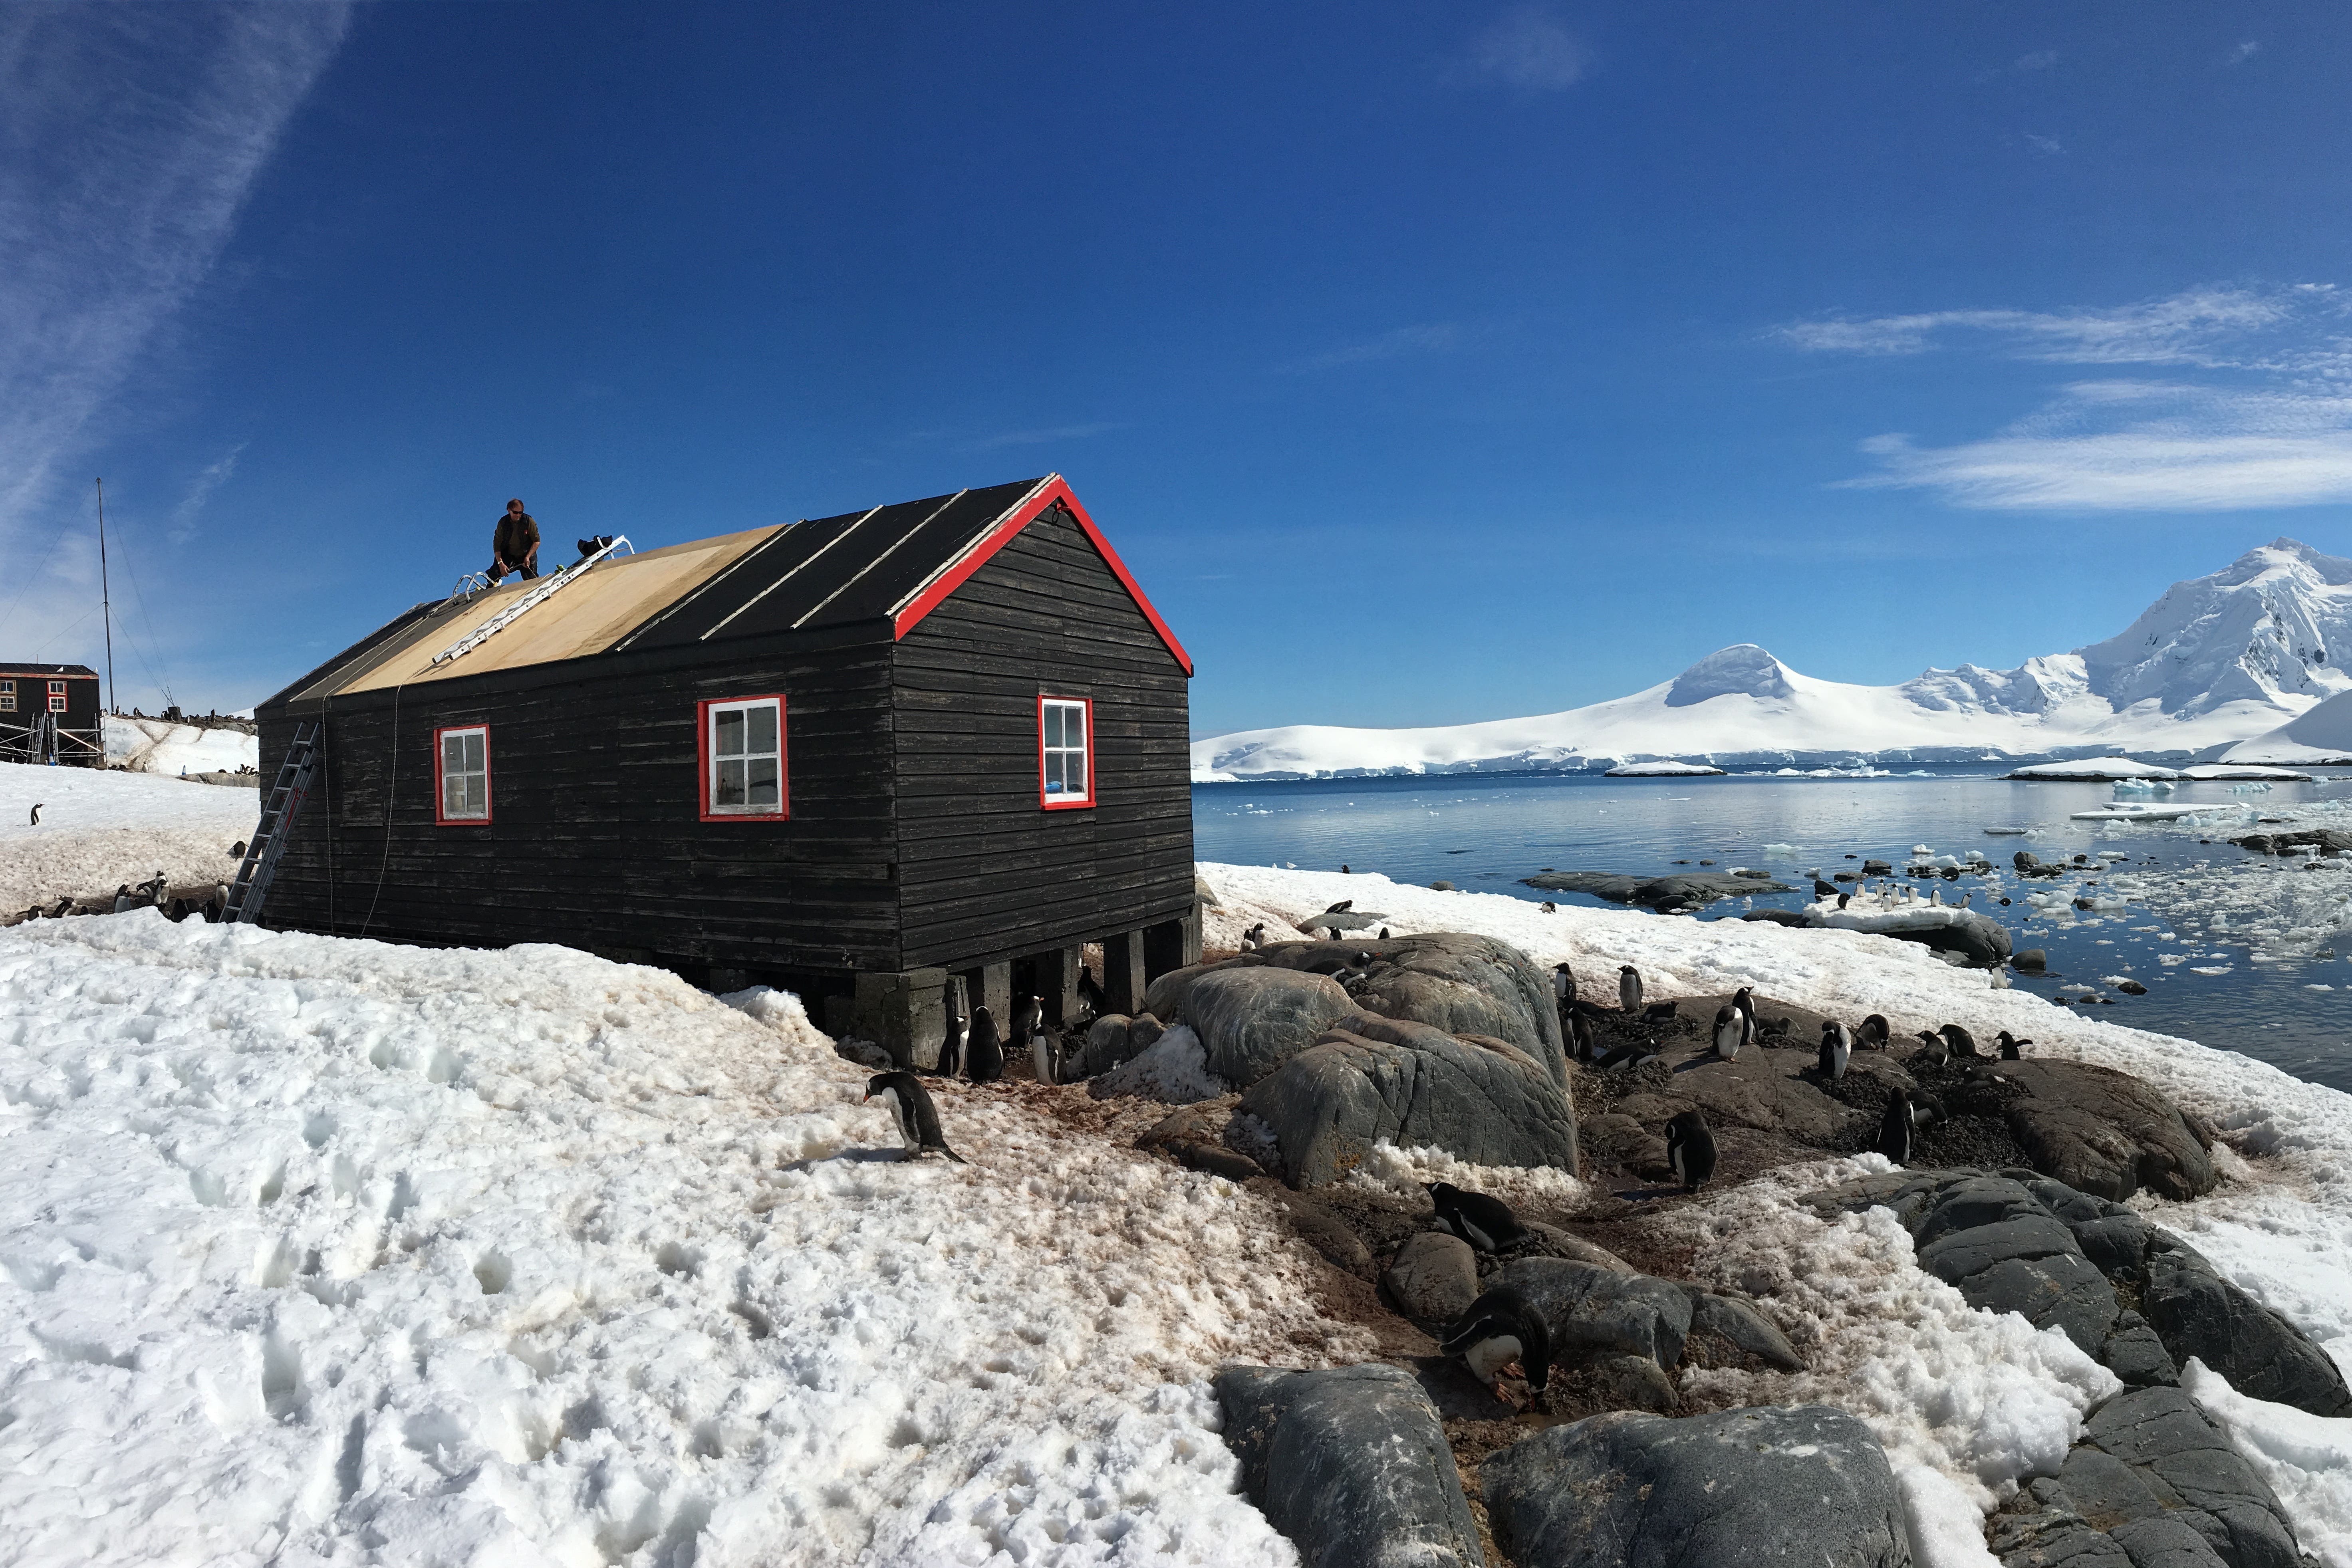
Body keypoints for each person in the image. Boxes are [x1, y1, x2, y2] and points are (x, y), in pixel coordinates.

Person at [489, 498, 540, 583]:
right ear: (509, 511)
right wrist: (501, 564)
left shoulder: (528, 521)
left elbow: (537, 542)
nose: (519, 515)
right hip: (509, 555)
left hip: (526, 555)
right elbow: (497, 545)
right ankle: (487, 592)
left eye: (521, 513)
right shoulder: (503, 523)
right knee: (493, 575)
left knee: (532, 580)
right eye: (516, 513)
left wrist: (528, 557)